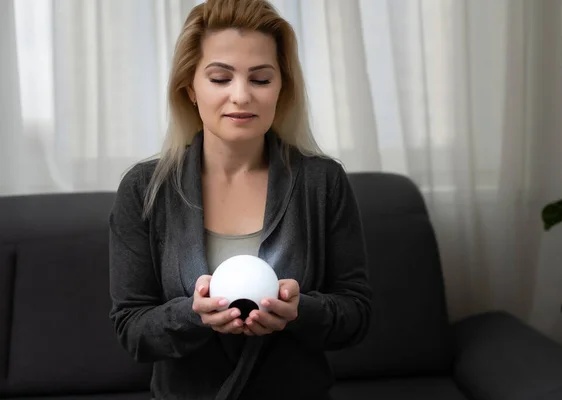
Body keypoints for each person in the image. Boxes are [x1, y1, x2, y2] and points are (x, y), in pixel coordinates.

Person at [108, 0, 372, 399]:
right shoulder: (145, 189)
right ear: (190, 90)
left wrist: (301, 312)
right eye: (220, 78)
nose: (242, 95)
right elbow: (132, 331)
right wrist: (192, 315)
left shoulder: (322, 182)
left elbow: (357, 316)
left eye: (261, 79)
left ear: (281, 90)